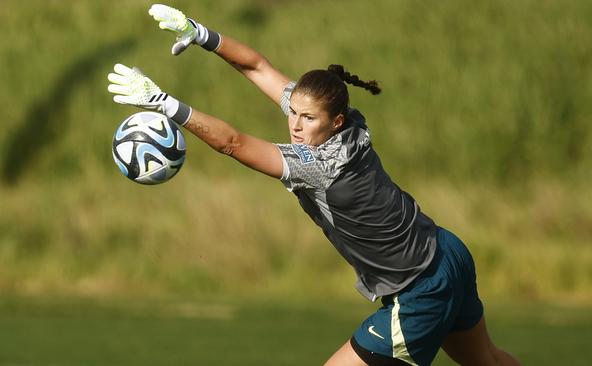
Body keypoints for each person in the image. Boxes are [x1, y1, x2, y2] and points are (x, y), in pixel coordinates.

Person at [107, 4, 522, 366]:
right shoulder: (346, 121)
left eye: (308, 119)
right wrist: (201, 34)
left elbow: (232, 143)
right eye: (294, 113)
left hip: (419, 289)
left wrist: (163, 102)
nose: (295, 124)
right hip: (446, 251)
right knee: (488, 361)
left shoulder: (318, 163)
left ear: (334, 122)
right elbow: (257, 67)